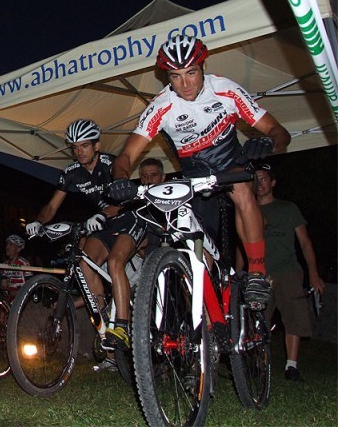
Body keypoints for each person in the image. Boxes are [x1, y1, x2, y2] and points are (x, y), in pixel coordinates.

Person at [113, 34, 291, 310]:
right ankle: (207, 321)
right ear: (167, 77)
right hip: (195, 173)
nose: (185, 84)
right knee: (196, 242)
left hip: (230, 161)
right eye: (175, 76)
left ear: (203, 67)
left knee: (242, 188)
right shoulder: (161, 107)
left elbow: (279, 132)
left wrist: (268, 142)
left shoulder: (225, 89)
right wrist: (121, 180)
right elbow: (126, 156)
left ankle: (256, 270)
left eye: (191, 73)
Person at [26, 119, 146, 349]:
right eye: (75, 147)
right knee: (84, 264)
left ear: (97, 146)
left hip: (129, 217)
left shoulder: (112, 164)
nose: (79, 151)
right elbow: (52, 207)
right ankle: (103, 321)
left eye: (85, 146)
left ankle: (122, 326)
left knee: (114, 262)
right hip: (103, 223)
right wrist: (38, 221)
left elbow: (125, 199)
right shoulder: (71, 173)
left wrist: (103, 213)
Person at [254, 163, 325, 381]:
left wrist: (313, 273)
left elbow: (305, 242)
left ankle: (291, 366)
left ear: (273, 182)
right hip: (260, 273)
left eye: (264, 179)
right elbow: (242, 245)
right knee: (258, 320)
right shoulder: (249, 210)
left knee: (292, 317)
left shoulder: (287, 208)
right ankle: (259, 364)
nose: (260, 184)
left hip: (288, 270)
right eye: (255, 179)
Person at [0, 234, 32, 300]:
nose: (7, 247)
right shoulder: (5, 264)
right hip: (9, 297)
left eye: (11, 245)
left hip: (21, 298)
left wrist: (11, 293)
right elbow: (4, 285)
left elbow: (29, 286)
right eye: (7, 244)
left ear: (18, 249)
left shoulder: (24, 264)